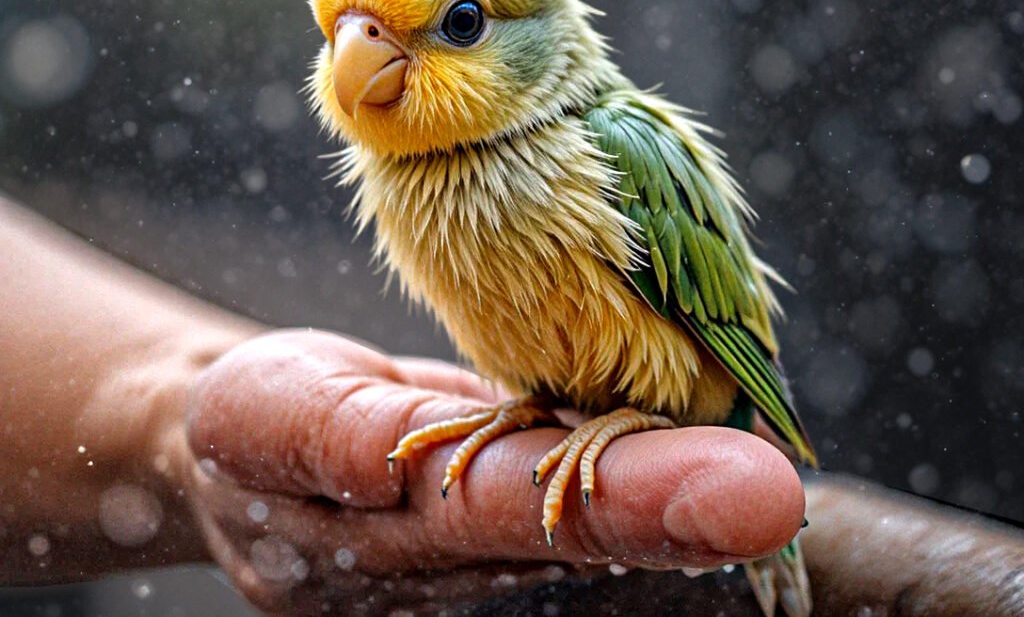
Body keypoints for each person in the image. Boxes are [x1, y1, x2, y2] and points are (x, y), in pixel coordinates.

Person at [1, 193, 1021, 615]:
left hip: (693, 405)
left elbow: (713, 328)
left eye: (454, 27)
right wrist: (182, 428)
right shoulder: (414, 175)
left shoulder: (607, 154)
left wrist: (177, 409)